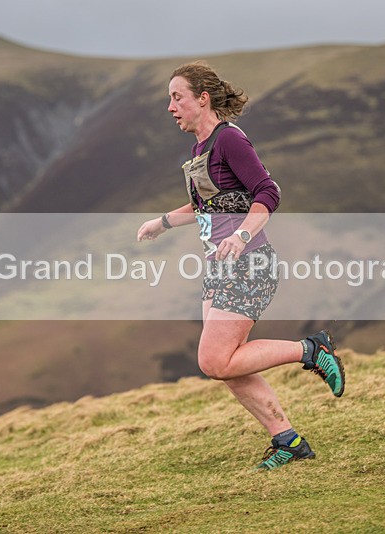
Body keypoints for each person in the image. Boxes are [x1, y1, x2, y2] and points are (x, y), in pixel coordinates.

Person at [137, 61, 345, 471]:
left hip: (250, 264)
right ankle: (289, 441)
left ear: (203, 98)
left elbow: (268, 191)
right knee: (228, 366)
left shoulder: (228, 139)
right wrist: (162, 222)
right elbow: (206, 206)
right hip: (220, 268)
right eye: (169, 99)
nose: (170, 107)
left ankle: (311, 349)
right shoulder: (200, 148)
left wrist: (242, 235)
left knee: (214, 362)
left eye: (177, 97)